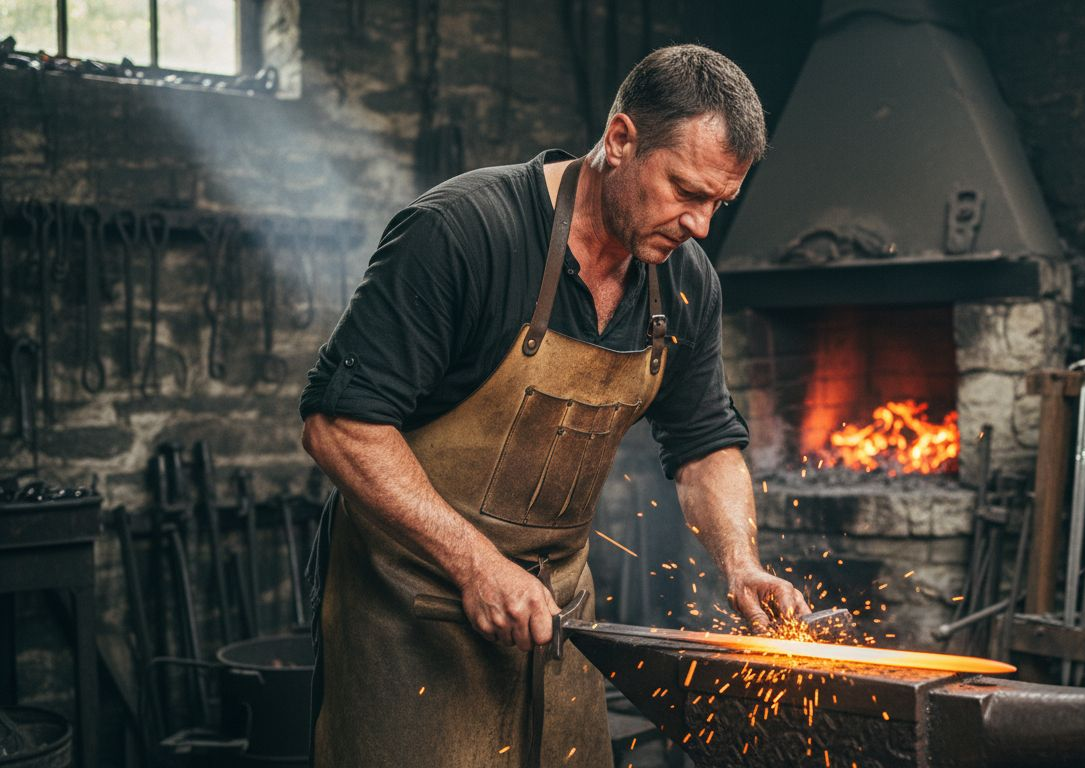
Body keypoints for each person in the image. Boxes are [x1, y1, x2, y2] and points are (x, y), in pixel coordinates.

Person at [299, 43, 809, 768]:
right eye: (686, 192)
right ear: (621, 138)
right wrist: (476, 564)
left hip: (558, 620)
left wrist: (740, 563)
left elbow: (703, 444)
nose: (700, 225)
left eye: (717, 206)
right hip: (409, 617)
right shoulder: (463, 235)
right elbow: (340, 425)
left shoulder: (685, 283)